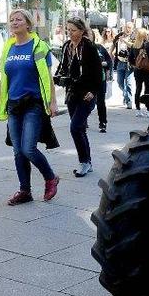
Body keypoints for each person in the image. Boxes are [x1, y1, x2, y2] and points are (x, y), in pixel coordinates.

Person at [0, 9, 60, 205]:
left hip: (33, 103)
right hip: (13, 105)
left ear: (28, 24)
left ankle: (50, 177)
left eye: (18, 19)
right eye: (11, 20)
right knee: (17, 151)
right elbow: (3, 80)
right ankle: (25, 191)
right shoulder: (9, 47)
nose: (14, 22)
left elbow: (48, 77)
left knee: (28, 148)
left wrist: (52, 102)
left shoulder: (39, 46)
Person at [56, 18, 102, 177]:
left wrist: (93, 91)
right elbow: (62, 67)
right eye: (68, 30)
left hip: (86, 95)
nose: (70, 33)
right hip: (72, 93)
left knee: (75, 127)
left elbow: (98, 73)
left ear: (82, 31)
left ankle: (84, 162)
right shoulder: (66, 47)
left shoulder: (89, 47)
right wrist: (59, 76)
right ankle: (87, 161)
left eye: (73, 30)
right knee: (80, 128)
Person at [131, 28, 149, 116]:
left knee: (138, 89)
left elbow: (130, 59)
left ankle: (138, 109)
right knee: (147, 90)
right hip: (147, 71)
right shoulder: (147, 44)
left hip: (138, 71)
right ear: (145, 35)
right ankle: (148, 109)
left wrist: (137, 65)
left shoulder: (134, 45)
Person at [112, 23, 134, 109]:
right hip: (120, 61)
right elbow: (114, 45)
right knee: (119, 82)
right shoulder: (119, 36)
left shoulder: (133, 37)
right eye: (126, 27)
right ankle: (125, 95)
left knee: (128, 82)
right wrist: (110, 53)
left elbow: (132, 46)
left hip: (129, 62)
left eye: (129, 27)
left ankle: (129, 101)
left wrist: (124, 41)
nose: (127, 29)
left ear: (132, 28)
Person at [93, 29, 110, 132]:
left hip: (100, 78)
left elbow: (108, 61)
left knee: (100, 101)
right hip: (86, 79)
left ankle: (102, 122)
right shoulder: (81, 49)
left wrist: (104, 64)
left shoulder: (100, 48)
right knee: (86, 102)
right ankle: (83, 120)